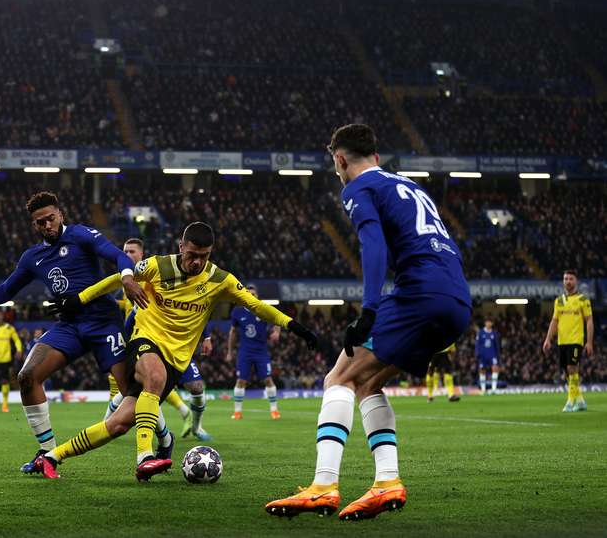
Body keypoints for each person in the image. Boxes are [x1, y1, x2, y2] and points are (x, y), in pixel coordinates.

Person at [266, 124, 471, 521]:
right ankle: (387, 482)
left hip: (420, 295)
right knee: (368, 383)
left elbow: (372, 245)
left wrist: (370, 310)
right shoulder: (410, 187)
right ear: (376, 156)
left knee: (338, 378)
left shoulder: (358, 188)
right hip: (457, 299)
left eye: (335, 164)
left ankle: (323, 486)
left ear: (340, 160)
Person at [32, 222, 317, 481]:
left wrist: (294, 325)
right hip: (144, 341)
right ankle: (145, 456)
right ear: (181, 247)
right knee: (153, 377)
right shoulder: (156, 266)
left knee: (118, 424)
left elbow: (256, 305)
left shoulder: (219, 280)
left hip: (177, 360)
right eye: (192, 254)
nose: (197, 262)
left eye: (204, 256)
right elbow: (118, 278)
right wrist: (78, 299)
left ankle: (52, 457)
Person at [0, 191, 148, 473]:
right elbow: (4, 290)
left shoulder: (81, 234)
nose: (47, 225)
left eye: (50, 218)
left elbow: (117, 255)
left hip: (103, 322)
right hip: (70, 326)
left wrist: (128, 279)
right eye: (40, 222)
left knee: (131, 393)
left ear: (60, 214)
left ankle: (162, 440)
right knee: (27, 376)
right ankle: (47, 452)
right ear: (34, 225)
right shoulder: (32, 258)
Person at [105, 237, 208, 442]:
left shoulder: (154, 274)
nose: (127, 255)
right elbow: (127, 312)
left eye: (131, 251)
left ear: (142, 254)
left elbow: (194, 307)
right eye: (124, 251)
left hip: (173, 344)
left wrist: (207, 336)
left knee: (194, 387)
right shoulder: (125, 280)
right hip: (143, 342)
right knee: (137, 387)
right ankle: (114, 425)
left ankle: (194, 426)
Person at [543, 270, 595, 412]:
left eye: (571, 279)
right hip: (562, 341)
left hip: (575, 339)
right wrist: (548, 339)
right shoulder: (559, 301)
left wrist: (589, 342)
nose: (568, 281)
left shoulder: (583, 299)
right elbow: (554, 321)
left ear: (576, 281)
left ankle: (570, 401)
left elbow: (589, 320)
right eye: (565, 278)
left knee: (572, 367)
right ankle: (580, 400)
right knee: (567, 371)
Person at [228, 284, 282, 420]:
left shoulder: (263, 309)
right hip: (245, 352)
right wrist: (230, 351)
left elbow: (278, 319)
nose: (252, 296)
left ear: (257, 296)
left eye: (254, 294)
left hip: (261, 352)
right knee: (241, 381)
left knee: (268, 379)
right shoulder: (237, 311)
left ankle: (274, 410)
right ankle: (237, 412)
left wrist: (276, 331)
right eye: (249, 294)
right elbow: (233, 332)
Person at [476, 319, 501, 395]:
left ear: (492, 323)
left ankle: (494, 389)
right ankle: (483, 389)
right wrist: (477, 353)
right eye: (487, 322)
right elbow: (477, 344)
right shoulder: (480, 332)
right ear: (485, 323)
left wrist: (498, 355)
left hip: (492, 354)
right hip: (483, 355)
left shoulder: (494, 333)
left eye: (490, 322)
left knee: (495, 369)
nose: (488, 323)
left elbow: (497, 345)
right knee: (482, 371)